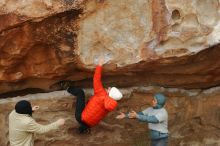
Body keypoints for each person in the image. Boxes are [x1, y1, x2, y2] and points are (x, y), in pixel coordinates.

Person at [66, 57, 123, 134]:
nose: (108, 87)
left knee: (80, 93)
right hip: (91, 124)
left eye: (110, 89)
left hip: (81, 117)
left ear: (110, 93)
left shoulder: (101, 94)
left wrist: (100, 65)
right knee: (91, 106)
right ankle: (83, 129)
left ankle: (66, 87)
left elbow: (96, 79)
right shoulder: (111, 104)